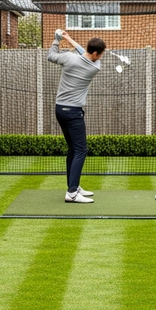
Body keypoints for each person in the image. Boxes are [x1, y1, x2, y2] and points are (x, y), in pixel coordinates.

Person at [48, 30, 106, 203]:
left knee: (73, 149)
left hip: (60, 110)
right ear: (95, 53)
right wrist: (69, 39)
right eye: (100, 54)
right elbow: (84, 53)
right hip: (73, 113)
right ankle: (72, 192)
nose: (100, 57)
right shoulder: (95, 66)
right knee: (81, 150)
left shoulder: (68, 58)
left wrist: (58, 39)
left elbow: (51, 56)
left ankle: (74, 185)